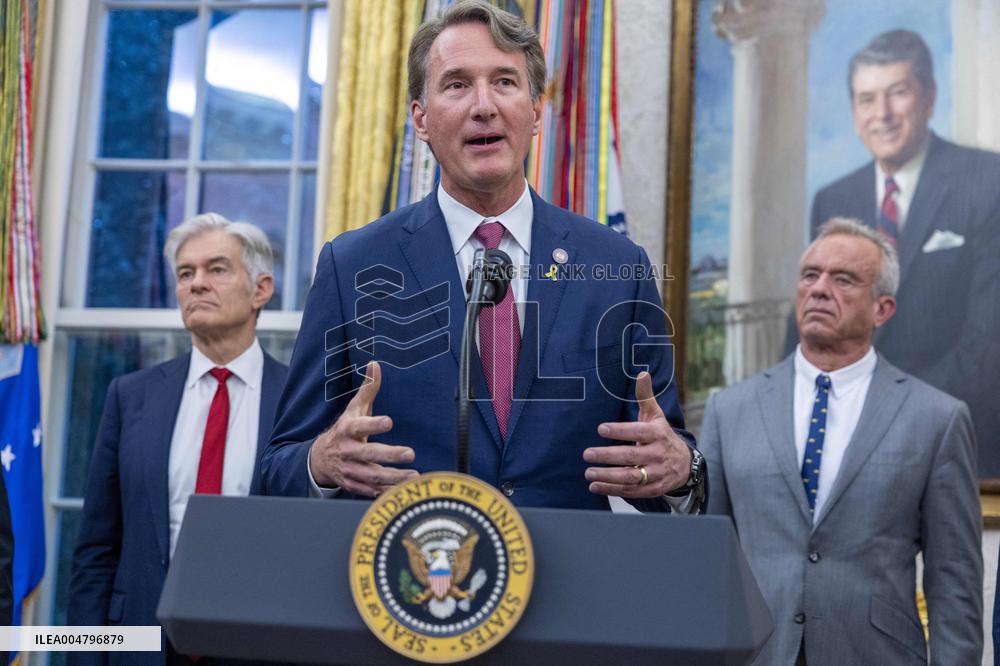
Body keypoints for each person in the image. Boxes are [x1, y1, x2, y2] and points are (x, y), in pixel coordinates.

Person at [261, 0, 705, 512]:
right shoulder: (352, 266)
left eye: (505, 82)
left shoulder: (619, 268)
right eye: (457, 84)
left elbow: (669, 458)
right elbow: (278, 467)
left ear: (535, 112)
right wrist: (320, 462)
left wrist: (680, 472)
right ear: (421, 119)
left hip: (573, 561)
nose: (484, 106)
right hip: (414, 557)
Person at [705, 218, 982, 664]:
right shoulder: (730, 409)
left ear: (882, 309)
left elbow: (954, 580)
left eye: (844, 279)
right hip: (758, 653)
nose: (819, 289)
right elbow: (707, 560)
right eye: (810, 275)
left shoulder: (936, 418)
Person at [67, 214, 288, 665]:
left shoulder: (297, 401)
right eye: (185, 273)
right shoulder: (130, 396)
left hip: (258, 646)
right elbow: (96, 550)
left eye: (217, 269)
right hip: (141, 644)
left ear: (261, 290)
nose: (196, 283)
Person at [805, 28, 1000, 476]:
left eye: (898, 92)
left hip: (956, 443)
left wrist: (871, 408)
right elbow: (810, 326)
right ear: (854, 111)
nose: (883, 114)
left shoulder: (989, 182)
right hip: (840, 451)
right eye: (867, 99)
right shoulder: (833, 199)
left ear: (929, 97)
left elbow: (987, 347)